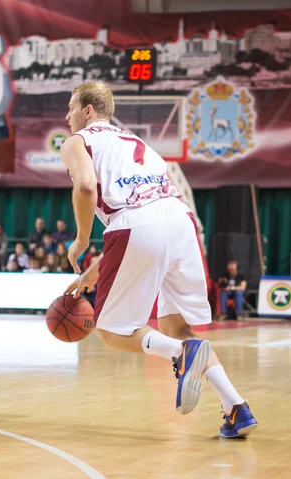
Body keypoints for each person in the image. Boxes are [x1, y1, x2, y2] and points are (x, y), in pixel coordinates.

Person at [62, 81, 257, 438]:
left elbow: (87, 187)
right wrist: (98, 266)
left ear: (88, 111)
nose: (67, 115)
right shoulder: (139, 144)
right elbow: (153, 210)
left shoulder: (78, 140)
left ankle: (179, 353)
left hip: (137, 225)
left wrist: (80, 239)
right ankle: (236, 408)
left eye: (71, 107)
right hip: (181, 224)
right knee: (178, 328)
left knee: (110, 330)